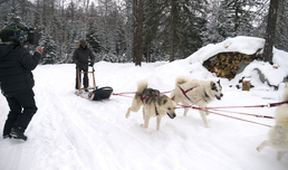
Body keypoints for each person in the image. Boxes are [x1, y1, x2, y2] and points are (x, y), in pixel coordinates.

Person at [0, 26, 43, 140]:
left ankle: (6, 133)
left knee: (15, 110)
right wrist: (37, 54)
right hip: (22, 87)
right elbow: (31, 65)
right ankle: (17, 129)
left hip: (7, 88)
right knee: (30, 108)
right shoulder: (18, 51)